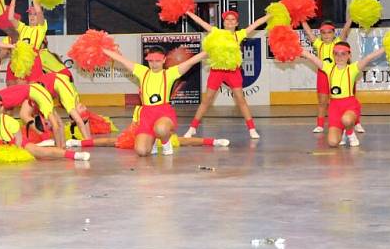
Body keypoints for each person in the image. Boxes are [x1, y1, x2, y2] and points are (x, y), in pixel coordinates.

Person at [182, 9, 270, 140]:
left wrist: (271, 14)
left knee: (241, 100)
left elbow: (257, 23)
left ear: (236, 23)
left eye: (232, 19)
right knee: (207, 100)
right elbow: (200, 22)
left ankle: (251, 128)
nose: (230, 21)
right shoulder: (216, 32)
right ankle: (193, 127)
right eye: (227, 19)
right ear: (223, 22)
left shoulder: (239, 34)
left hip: (233, 72)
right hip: (217, 71)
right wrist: (188, 13)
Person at [102, 46, 207, 156]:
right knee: (141, 151)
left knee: (161, 129)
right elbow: (121, 59)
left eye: (157, 61)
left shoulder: (170, 73)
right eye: (151, 61)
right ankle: (154, 142)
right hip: (146, 115)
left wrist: (209, 51)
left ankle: (166, 143)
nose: (154, 64)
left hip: (163, 113)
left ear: (164, 60)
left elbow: (191, 61)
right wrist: (102, 49)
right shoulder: (142, 71)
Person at [299, 42, 384, 147]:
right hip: (334, 108)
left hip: (350, 106)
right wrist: (295, 48)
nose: (339, 57)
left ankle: (350, 133)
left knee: (347, 119)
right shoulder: (328, 68)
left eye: (343, 54)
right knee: (332, 142)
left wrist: (386, 48)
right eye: (336, 53)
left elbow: (369, 57)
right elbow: (310, 56)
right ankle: (343, 132)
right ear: (333, 55)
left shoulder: (353, 68)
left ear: (349, 55)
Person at [300, 17, 363, 133]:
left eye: (329, 32)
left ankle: (357, 123)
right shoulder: (319, 44)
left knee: (349, 100)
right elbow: (309, 32)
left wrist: (350, 19)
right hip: (323, 75)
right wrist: (301, 19)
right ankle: (320, 125)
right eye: (323, 33)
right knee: (322, 102)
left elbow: (344, 31)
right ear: (320, 34)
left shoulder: (337, 42)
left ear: (334, 33)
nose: (326, 35)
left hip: (341, 74)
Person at [7, 0, 47, 82]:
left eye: (34, 15)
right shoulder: (23, 27)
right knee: (21, 88)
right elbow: (10, 18)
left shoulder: (41, 27)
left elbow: (39, 11)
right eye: (30, 14)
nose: (32, 17)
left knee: (34, 88)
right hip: (21, 58)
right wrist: (13, 0)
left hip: (33, 58)